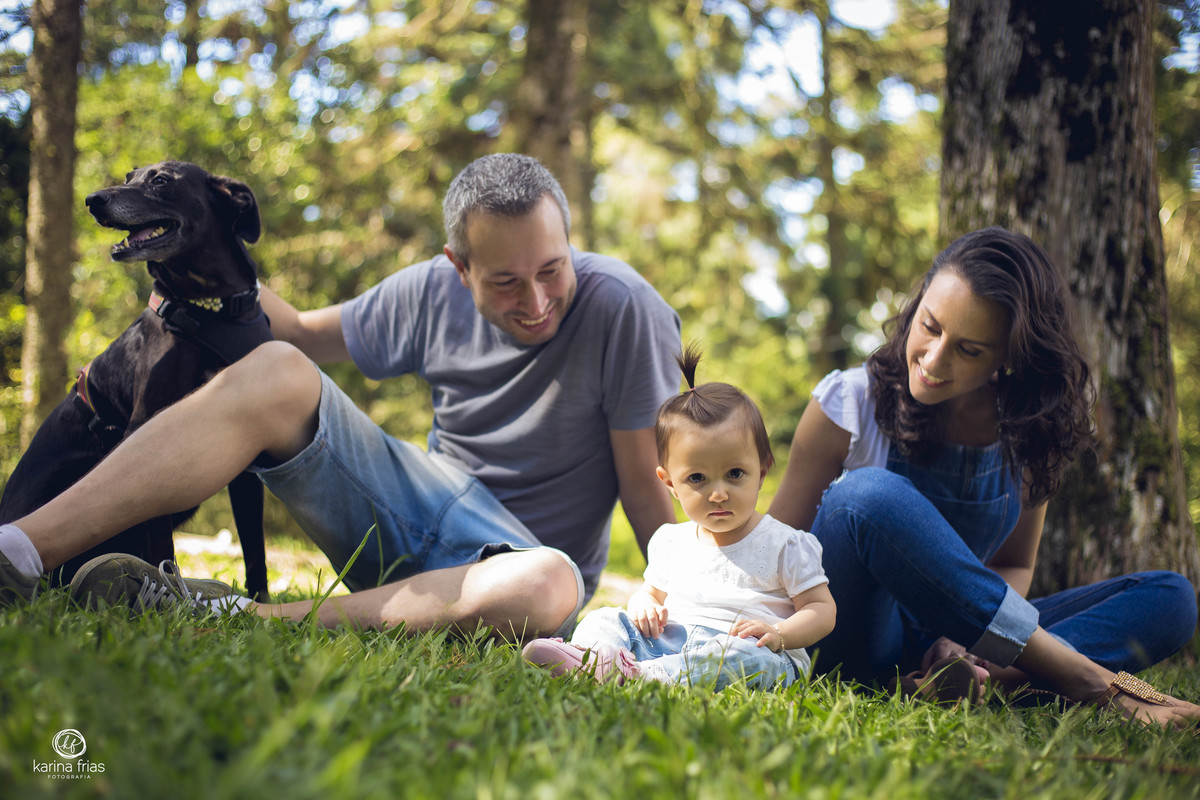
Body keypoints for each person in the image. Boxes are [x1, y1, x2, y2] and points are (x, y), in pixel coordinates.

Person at [0, 153, 683, 642]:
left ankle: (231, 614)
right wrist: (193, 258)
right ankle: (20, 552)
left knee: (545, 584)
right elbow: (295, 331)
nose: (535, 302)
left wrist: (683, 594)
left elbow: (643, 485)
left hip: (523, 566)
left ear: (571, 244)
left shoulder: (621, 306)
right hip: (414, 501)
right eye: (505, 282)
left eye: (551, 270)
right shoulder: (428, 291)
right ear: (458, 267)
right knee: (278, 367)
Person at [768, 226, 1200, 728]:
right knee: (866, 496)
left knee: (1171, 598)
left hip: (971, 648)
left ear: (1008, 360)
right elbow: (773, 553)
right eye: (930, 326)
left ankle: (968, 687)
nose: (933, 360)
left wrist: (966, 638)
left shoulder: (1028, 429)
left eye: (969, 350)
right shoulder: (848, 404)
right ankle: (1080, 678)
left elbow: (1013, 566)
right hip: (853, 634)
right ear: (918, 305)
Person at [522, 345, 836, 689]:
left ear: (761, 473)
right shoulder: (671, 541)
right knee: (607, 616)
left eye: (734, 474)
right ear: (670, 483)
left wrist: (778, 633)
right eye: (697, 479)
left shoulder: (784, 544)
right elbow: (650, 595)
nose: (718, 493)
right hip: (668, 641)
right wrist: (644, 606)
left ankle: (644, 676)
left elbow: (821, 611)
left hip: (750, 647)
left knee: (749, 660)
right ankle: (591, 656)